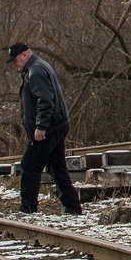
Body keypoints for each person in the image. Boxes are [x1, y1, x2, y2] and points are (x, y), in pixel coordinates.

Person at [10, 42, 82, 215]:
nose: (15, 64)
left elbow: (45, 100)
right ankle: (73, 207)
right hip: (57, 125)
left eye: (15, 60)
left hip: (48, 129)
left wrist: (41, 126)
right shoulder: (40, 66)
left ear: (24, 55)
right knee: (57, 168)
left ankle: (28, 207)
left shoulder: (35, 71)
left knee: (29, 165)